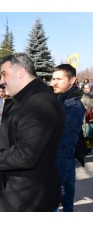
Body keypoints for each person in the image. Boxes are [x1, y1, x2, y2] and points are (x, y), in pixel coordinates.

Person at [0, 53, 65, 212]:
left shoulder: (40, 102)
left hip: (26, 198)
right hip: (13, 192)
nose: (2, 81)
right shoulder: (24, 98)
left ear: (21, 72)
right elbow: (17, 134)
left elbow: (25, 155)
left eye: (4, 74)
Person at [51, 64, 86, 212]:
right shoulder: (61, 98)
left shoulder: (75, 105)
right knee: (67, 189)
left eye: (59, 79)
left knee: (59, 193)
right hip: (63, 153)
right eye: (53, 79)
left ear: (72, 81)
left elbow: (58, 128)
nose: (54, 83)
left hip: (62, 154)